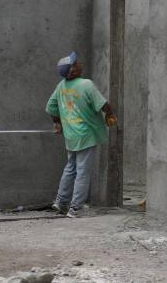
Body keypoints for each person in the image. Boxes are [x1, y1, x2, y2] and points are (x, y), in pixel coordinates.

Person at [46, 52, 117, 218]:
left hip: (71, 135)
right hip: (86, 134)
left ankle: (61, 202)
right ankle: (75, 208)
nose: (79, 63)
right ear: (73, 71)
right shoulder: (86, 84)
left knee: (70, 168)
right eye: (75, 63)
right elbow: (104, 105)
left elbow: (51, 107)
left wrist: (57, 122)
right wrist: (110, 114)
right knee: (83, 171)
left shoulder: (61, 86)